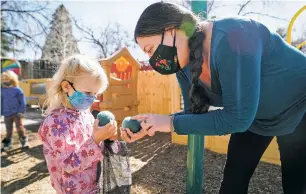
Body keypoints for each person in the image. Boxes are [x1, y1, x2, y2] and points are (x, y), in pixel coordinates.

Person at [120, 2, 306, 194]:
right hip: (256, 116)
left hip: (299, 106)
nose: (153, 59)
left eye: (150, 49)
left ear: (171, 30)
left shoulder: (234, 36)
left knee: (295, 183)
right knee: (233, 180)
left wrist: (170, 123)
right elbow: (195, 114)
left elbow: (237, 118)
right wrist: (153, 123)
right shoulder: (183, 65)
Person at [38, 55, 119, 194]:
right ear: (66, 86)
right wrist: (96, 139)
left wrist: (110, 139)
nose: (91, 98)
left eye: (95, 94)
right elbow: (69, 164)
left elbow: (101, 152)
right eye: (87, 92)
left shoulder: (86, 115)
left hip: (94, 186)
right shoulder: (55, 123)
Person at [1, 70, 27, 150]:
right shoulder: (1, 90)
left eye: (7, 79)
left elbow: (22, 102)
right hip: (6, 113)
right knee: (8, 129)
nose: (5, 81)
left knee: (19, 127)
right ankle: (8, 143)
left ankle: (23, 141)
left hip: (17, 113)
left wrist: (21, 111)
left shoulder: (17, 90)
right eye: (3, 79)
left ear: (12, 79)